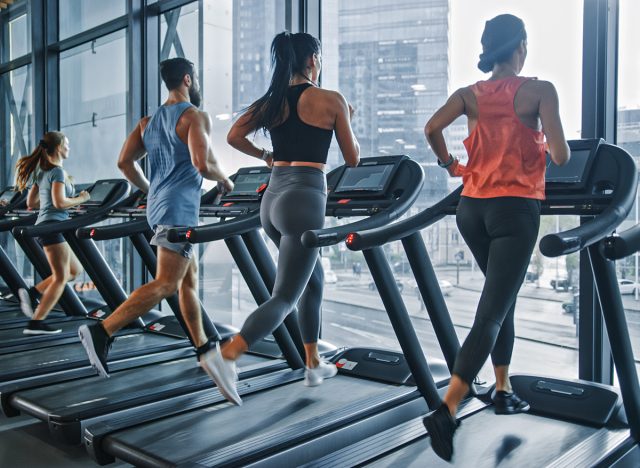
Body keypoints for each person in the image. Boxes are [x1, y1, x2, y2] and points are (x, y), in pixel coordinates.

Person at [421, 14, 570, 461]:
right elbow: (561, 157)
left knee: (498, 301)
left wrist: (451, 164)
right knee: (490, 312)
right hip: (514, 211)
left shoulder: (469, 95)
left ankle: (503, 387)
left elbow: (431, 129)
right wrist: (538, 141)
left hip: (471, 207)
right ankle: (446, 409)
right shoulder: (540, 91)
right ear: (521, 45)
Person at [200, 31, 360, 405]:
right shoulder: (331, 99)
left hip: (272, 200)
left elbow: (234, 135)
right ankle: (226, 356)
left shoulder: (271, 102)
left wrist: (266, 156)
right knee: (286, 295)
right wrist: (347, 119)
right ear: (311, 60)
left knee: (312, 280)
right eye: (317, 59)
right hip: (304, 197)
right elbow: (352, 160)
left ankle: (313, 361)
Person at [78, 57, 234, 378]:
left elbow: (124, 163)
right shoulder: (194, 116)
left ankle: (204, 347)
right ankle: (102, 331)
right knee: (166, 283)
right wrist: (226, 180)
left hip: (158, 208)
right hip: (178, 210)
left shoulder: (147, 122)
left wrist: (150, 189)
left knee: (186, 282)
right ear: (188, 79)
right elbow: (201, 163)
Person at [15, 132, 90, 335]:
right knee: (60, 276)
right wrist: (81, 198)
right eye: (67, 144)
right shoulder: (56, 172)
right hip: (52, 226)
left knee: (75, 271)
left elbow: (32, 203)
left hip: (46, 225)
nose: (69, 148)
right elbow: (59, 203)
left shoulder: (42, 172)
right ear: (58, 148)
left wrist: (59, 201)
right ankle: (36, 322)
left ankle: (33, 293)